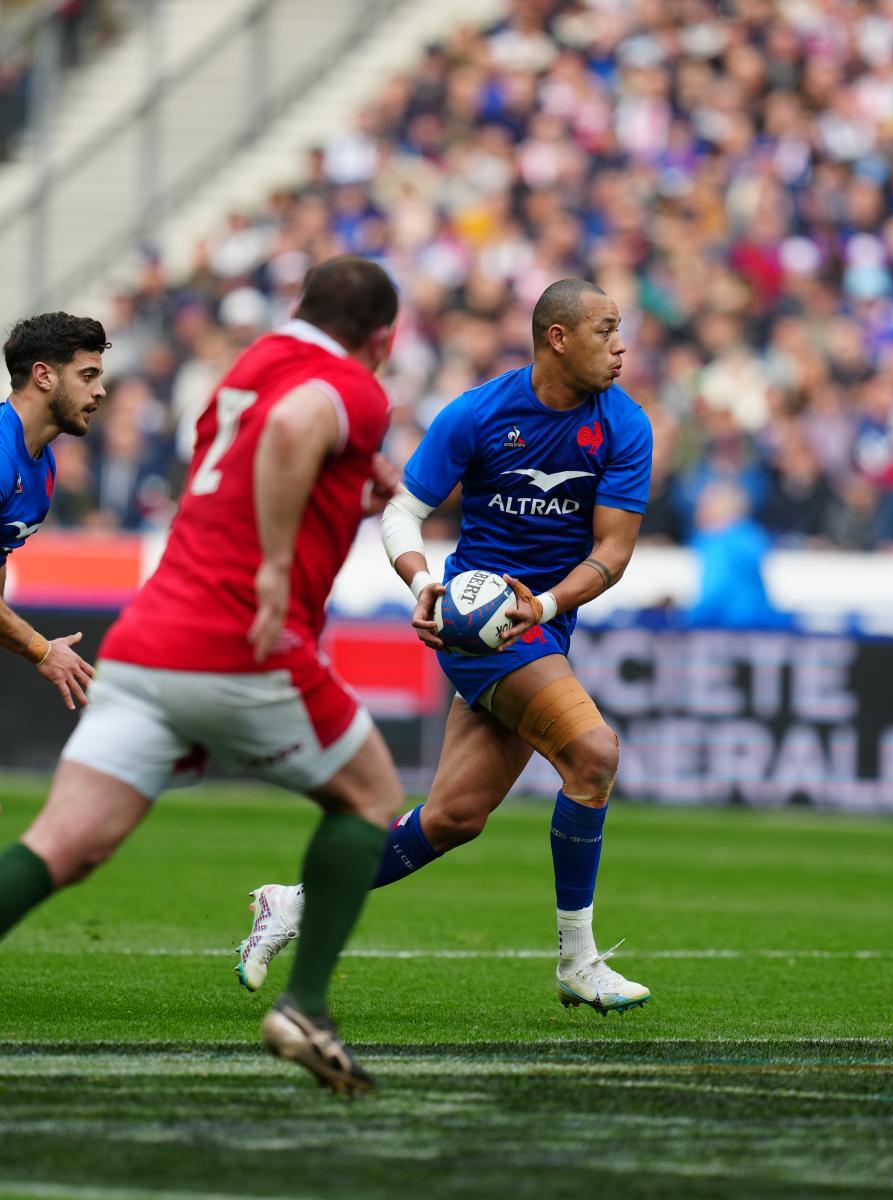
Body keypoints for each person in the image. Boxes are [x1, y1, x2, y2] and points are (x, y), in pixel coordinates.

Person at [0, 256, 403, 1097]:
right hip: (238, 638)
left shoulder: (244, 374)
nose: (102, 390)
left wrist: (347, 489)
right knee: (369, 797)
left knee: (62, 845)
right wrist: (275, 566)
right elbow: (294, 435)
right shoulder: (351, 387)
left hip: (150, 633)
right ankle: (306, 1007)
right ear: (382, 337)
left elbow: (254, 452)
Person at [238, 278, 654, 1015]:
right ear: (558, 337)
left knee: (454, 817)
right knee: (594, 753)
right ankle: (579, 960)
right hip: (474, 624)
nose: (622, 345)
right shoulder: (478, 414)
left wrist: (546, 606)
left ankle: (291, 904)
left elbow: (613, 554)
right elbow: (403, 509)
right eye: (606, 330)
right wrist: (423, 583)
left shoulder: (625, 427)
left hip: (537, 624)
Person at [0, 312, 109, 709]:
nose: (100, 391)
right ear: (44, 376)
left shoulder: (42, 467)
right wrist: (42, 650)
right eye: (87, 375)